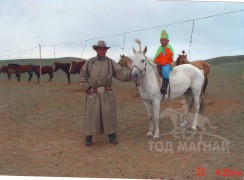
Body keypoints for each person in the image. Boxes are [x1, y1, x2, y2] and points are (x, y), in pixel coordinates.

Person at [80, 40, 131, 147]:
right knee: (92, 114)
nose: (102, 50)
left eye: (104, 49)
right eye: (100, 49)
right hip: (93, 93)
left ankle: (112, 136)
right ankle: (89, 136)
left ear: (106, 50)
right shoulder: (89, 62)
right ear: (97, 50)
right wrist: (87, 88)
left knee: (109, 114)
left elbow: (120, 73)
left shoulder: (110, 62)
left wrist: (132, 73)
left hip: (107, 94)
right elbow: (83, 76)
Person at [153, 30, 174, 95]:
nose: (163, 41)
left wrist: (161, 63)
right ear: (160, 41)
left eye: (164, 40)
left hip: (167, 64)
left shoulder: (169, 48)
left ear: (168, 41)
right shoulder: (160, 48)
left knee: (165, 71)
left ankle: (164, 88)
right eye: (162, 40)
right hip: (159, 64)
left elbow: (168, 57)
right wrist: (156, 61)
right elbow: (156, 56)